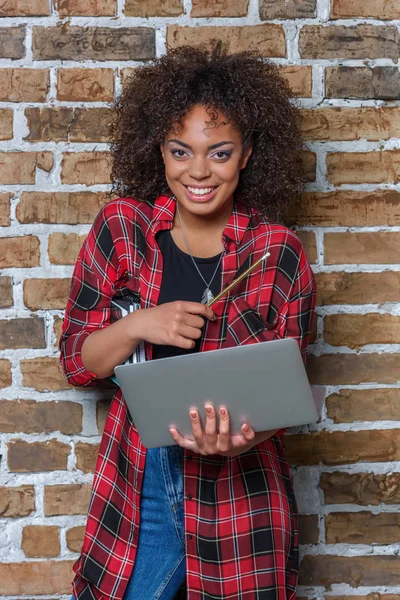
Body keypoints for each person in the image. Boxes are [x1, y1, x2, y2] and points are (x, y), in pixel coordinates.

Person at [61, 43, 316, 600]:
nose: (198, 171)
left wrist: (241, 441)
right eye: (181, 151)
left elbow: (286, 397)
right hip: (141, 484)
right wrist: (137, 325)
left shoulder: (278, 252)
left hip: (240, 498)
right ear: (160, 149)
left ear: (247, 155)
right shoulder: (122, 229)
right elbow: (77, 363)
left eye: (219, 153)